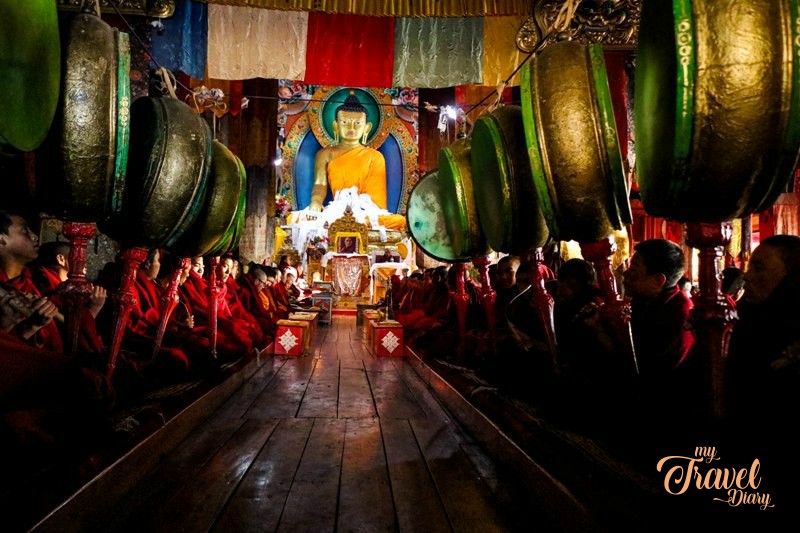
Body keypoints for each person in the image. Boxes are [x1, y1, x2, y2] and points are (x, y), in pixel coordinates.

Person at [308, 91, 405, 230]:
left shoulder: (375, 157)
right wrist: (316, 202)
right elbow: (319, 184)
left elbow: (377, 203)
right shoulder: (325, 154)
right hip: (337, 212)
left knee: (399, 221)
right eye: (345, 122)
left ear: (367, 128)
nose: (351, 128)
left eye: (358, 123)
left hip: (368, 215)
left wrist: (361, 210)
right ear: (335, 126)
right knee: (299, 219)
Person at [622, 239, 696, 410]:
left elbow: (646, 371)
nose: (625, 275)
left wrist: (603, 335)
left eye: (633, 270)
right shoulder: (642, 301)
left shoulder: (679, 313)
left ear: (658, 280)